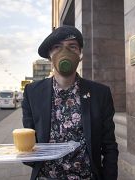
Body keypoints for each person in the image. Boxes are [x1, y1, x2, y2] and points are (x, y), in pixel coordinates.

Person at [22, 25, 118, 180]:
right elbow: (29, 142)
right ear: (49, 55)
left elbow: (109, 146)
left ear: (80, 54)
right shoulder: (32, 93)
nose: (64, 52)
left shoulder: (100, 93)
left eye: (72, 47)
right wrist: (25, 154)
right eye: (57, 47)